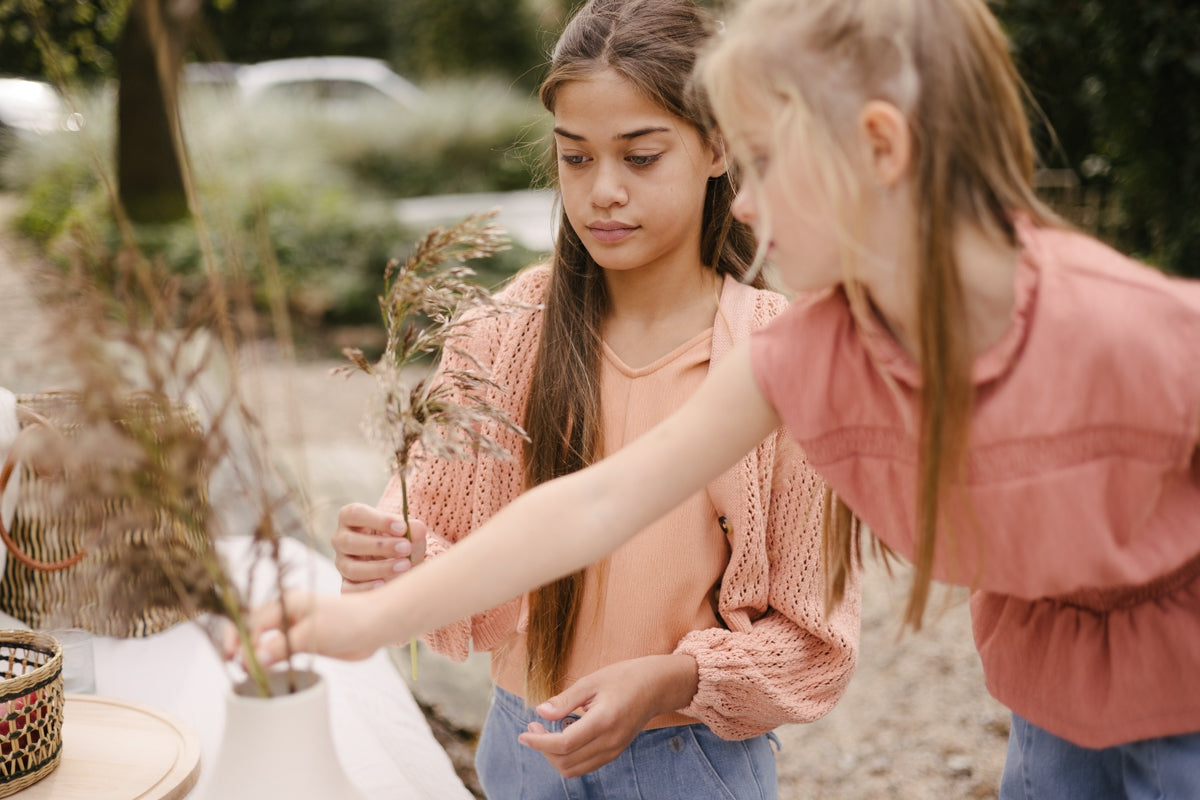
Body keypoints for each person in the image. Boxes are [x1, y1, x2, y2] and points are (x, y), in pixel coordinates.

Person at [247, 0, 1200, 796]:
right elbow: (601, 498)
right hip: (1054, 705)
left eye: (766, 161)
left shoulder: (1133, 331)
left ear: (877, 148)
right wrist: (365, 621)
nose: (742, 202)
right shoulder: (820, 349)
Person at [324, 1, 858, 797]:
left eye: (641, 157)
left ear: (717, 148)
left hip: (691, 760)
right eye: (576, 159)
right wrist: (391, 558)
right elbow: (431, 533)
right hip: (521, 745)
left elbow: (816, 642)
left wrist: (670, 679)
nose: (603, 190)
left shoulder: (783, 358)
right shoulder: (500, 332)